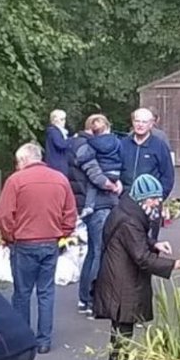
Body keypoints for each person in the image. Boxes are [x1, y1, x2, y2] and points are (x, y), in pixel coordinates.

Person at [93, 174, 180, 360]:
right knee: (123, 327)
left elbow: (137, 240)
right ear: (142, 198)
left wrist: (155, 243)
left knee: (120, 328)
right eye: (153, 198)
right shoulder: (130, 220)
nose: (157, 202)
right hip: (122, 281)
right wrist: (174, 265)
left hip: (116, 276)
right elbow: (140, 257)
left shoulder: (126, 211)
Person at [0, 142, 77, 354]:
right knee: (46, 292)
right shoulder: (60, 179)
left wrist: (10, 236)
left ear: (24, 159)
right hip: (50, 242)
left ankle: (23, 339)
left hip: (23, 243)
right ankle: (44, 341)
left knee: (22, 293)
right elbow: (70, 213)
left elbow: (3, 215)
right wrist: (63, 233)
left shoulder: (16, 181)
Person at [72, 114, 123, 317]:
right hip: (99, 203)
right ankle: (94, 298)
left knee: (93, 251)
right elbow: (95, 175)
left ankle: (85, 298)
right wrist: (113, 186)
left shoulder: (82, 145)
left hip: (91, 202)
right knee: (99, 251)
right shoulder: (90, 147)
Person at [120, 108, 176, 241]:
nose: (140, 125)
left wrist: (159, 198)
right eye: (137, 121)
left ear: (151, 124)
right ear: (133, 123)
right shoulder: (123, 144)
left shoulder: (159, 146)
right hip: (126, 200)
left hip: (151, 203)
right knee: (126, 240)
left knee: (149, 242)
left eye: (144, 122)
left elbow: (168, 175)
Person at [77, 120, 124, 219]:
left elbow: (95, 176)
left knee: (91, 186)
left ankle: (89, 206)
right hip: (115, 172)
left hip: (104, 173)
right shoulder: (117, 141)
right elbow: (122, 155)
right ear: (108, 128)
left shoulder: (91, 143)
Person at [43, 109, 71, 173]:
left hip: (57, 164)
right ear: (55, 120)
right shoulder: (54, 131)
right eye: (62, 119)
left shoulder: (57, 132)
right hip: (57, 165)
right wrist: (72, 139)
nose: (64, 121)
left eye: (64, 119)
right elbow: (61, 144)